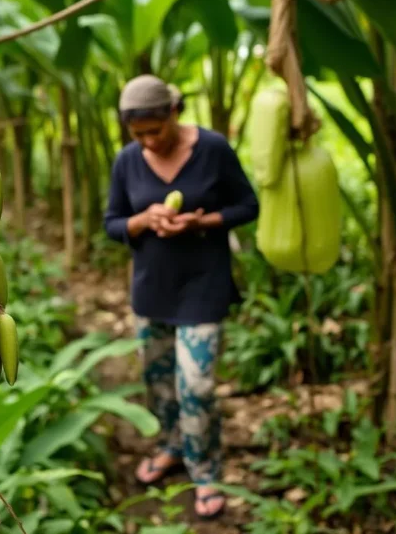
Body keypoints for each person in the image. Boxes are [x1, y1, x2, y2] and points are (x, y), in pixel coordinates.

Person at [103, 75, 259, 520]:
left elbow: (248, 206)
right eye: (139, 135)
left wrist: (201, 222)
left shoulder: (212, 149)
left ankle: (205, 469)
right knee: (159, 381)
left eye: (156, 131)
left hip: (203, 287)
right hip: (151, 289)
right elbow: (112, 222)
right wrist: (142, 220)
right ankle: (171, 446)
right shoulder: (128, 161)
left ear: (174, 113)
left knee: (197, 384)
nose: (149, 142)